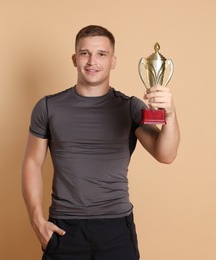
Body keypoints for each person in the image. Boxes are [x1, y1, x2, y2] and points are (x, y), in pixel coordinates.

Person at [21, 25, 180, 260]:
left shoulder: (130, 107)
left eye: (101, 54)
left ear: (113, 61)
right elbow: (32, 163)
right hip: (65, 228)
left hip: (116, 228)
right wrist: (36, 221)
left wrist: (171, 115)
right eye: (85, 53)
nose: (92, 61)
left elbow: (165, 155)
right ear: (75, 59)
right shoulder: (48, 107)